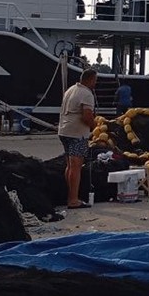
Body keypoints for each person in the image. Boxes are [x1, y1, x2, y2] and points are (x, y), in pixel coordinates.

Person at [58, 68, 97, 209]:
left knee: (70, 166)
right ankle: (73, 199)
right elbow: (86, 116)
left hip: (64, 131)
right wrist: (94, 126)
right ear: (90, 79)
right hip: (77, 133)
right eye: (95, 80)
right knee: (76, 167)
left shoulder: (70, 90)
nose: (95, 83)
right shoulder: (86, 94)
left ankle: (70, 195)